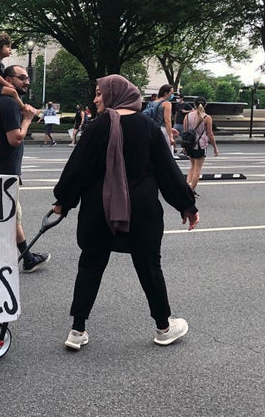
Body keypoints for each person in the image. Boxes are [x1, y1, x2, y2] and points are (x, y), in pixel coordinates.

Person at [52, 74, 199, 351]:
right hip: (141, 212)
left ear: (113, 95)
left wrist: (64, 200)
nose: (95, 99)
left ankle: (77, 329)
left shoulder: (96, 128)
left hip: (98, 211)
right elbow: (167, 171)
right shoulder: (147, 127)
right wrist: (186, 205)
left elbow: (77, 170)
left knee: (91, 265)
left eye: (99, 93)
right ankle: (164, 327)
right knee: (148, 267)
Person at [0, 64, 50, 273]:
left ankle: (25, 257)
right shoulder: (8, 104)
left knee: (8, 215)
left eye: (27, 77)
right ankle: (22, 259)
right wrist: (27, 119)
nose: (27, 81)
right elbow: (15, 138)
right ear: (7, 80)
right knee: (9, 216)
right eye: (22, 78)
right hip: (4, 172)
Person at [183, 97, 219, 196]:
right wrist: (215, 147)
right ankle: (190, 191)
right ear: (205, 105)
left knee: (192, 166)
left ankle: (186, 187)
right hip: (200, 145)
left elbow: (185, 132)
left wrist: (184, 147)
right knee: (197, 169)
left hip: (189, 144)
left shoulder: (187, 116)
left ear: (193, 104)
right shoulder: (207, 117)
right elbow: (210, 134)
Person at [150, 84, 176, 155]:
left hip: (153, 129)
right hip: (163, 130)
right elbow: (167, 121)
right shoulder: (167, 104)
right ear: (166, 93)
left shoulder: (152, 103)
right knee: (167, 154)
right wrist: (170, 137)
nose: (172, 94)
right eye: (171, 92)